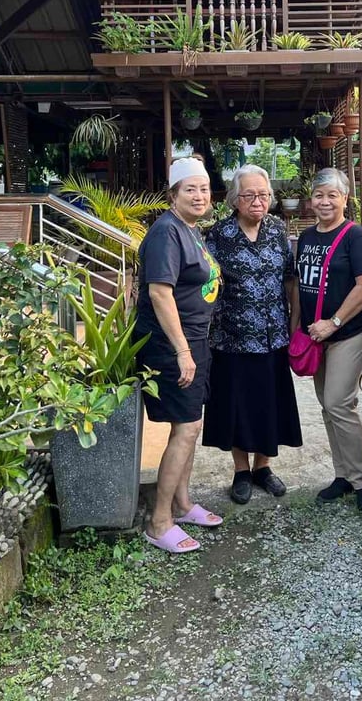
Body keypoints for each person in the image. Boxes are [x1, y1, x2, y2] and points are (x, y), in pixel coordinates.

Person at [135, 157, 223, 554]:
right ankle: (159, 522)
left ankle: (182, 504)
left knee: (189, 425)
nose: (199, 196)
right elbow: (159, 293)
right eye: (190, 189)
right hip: (172, 346)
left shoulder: (190, 229)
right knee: (185, 427)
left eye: (204, 189)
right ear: (173, 194)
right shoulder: (166, 232)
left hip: (194, 340)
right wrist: (183, 351)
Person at [203, 165, 302, 503]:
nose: (257, 201)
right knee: (237, 405)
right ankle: (241, 470)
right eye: (249, 195)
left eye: (263, 194)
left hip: (273, 335)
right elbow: (208, 285)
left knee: (269, 403)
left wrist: (293, 323)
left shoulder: (277, 229)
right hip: (232, 338)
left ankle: (263, 467)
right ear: (235, 199)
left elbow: (289, 278)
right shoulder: (218, 234)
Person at [292, 168, 362, 514]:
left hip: (346, 333)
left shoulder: (356, 237)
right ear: (311, 200)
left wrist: (334, 322)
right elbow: (300, 285)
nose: (325, 201)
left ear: (345, 198)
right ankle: (343, 475)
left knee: (339, 403)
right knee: (328, 407)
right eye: (319, 195)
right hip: (315, 336)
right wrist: (296, 328)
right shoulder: (307, 237)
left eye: (332, 195)